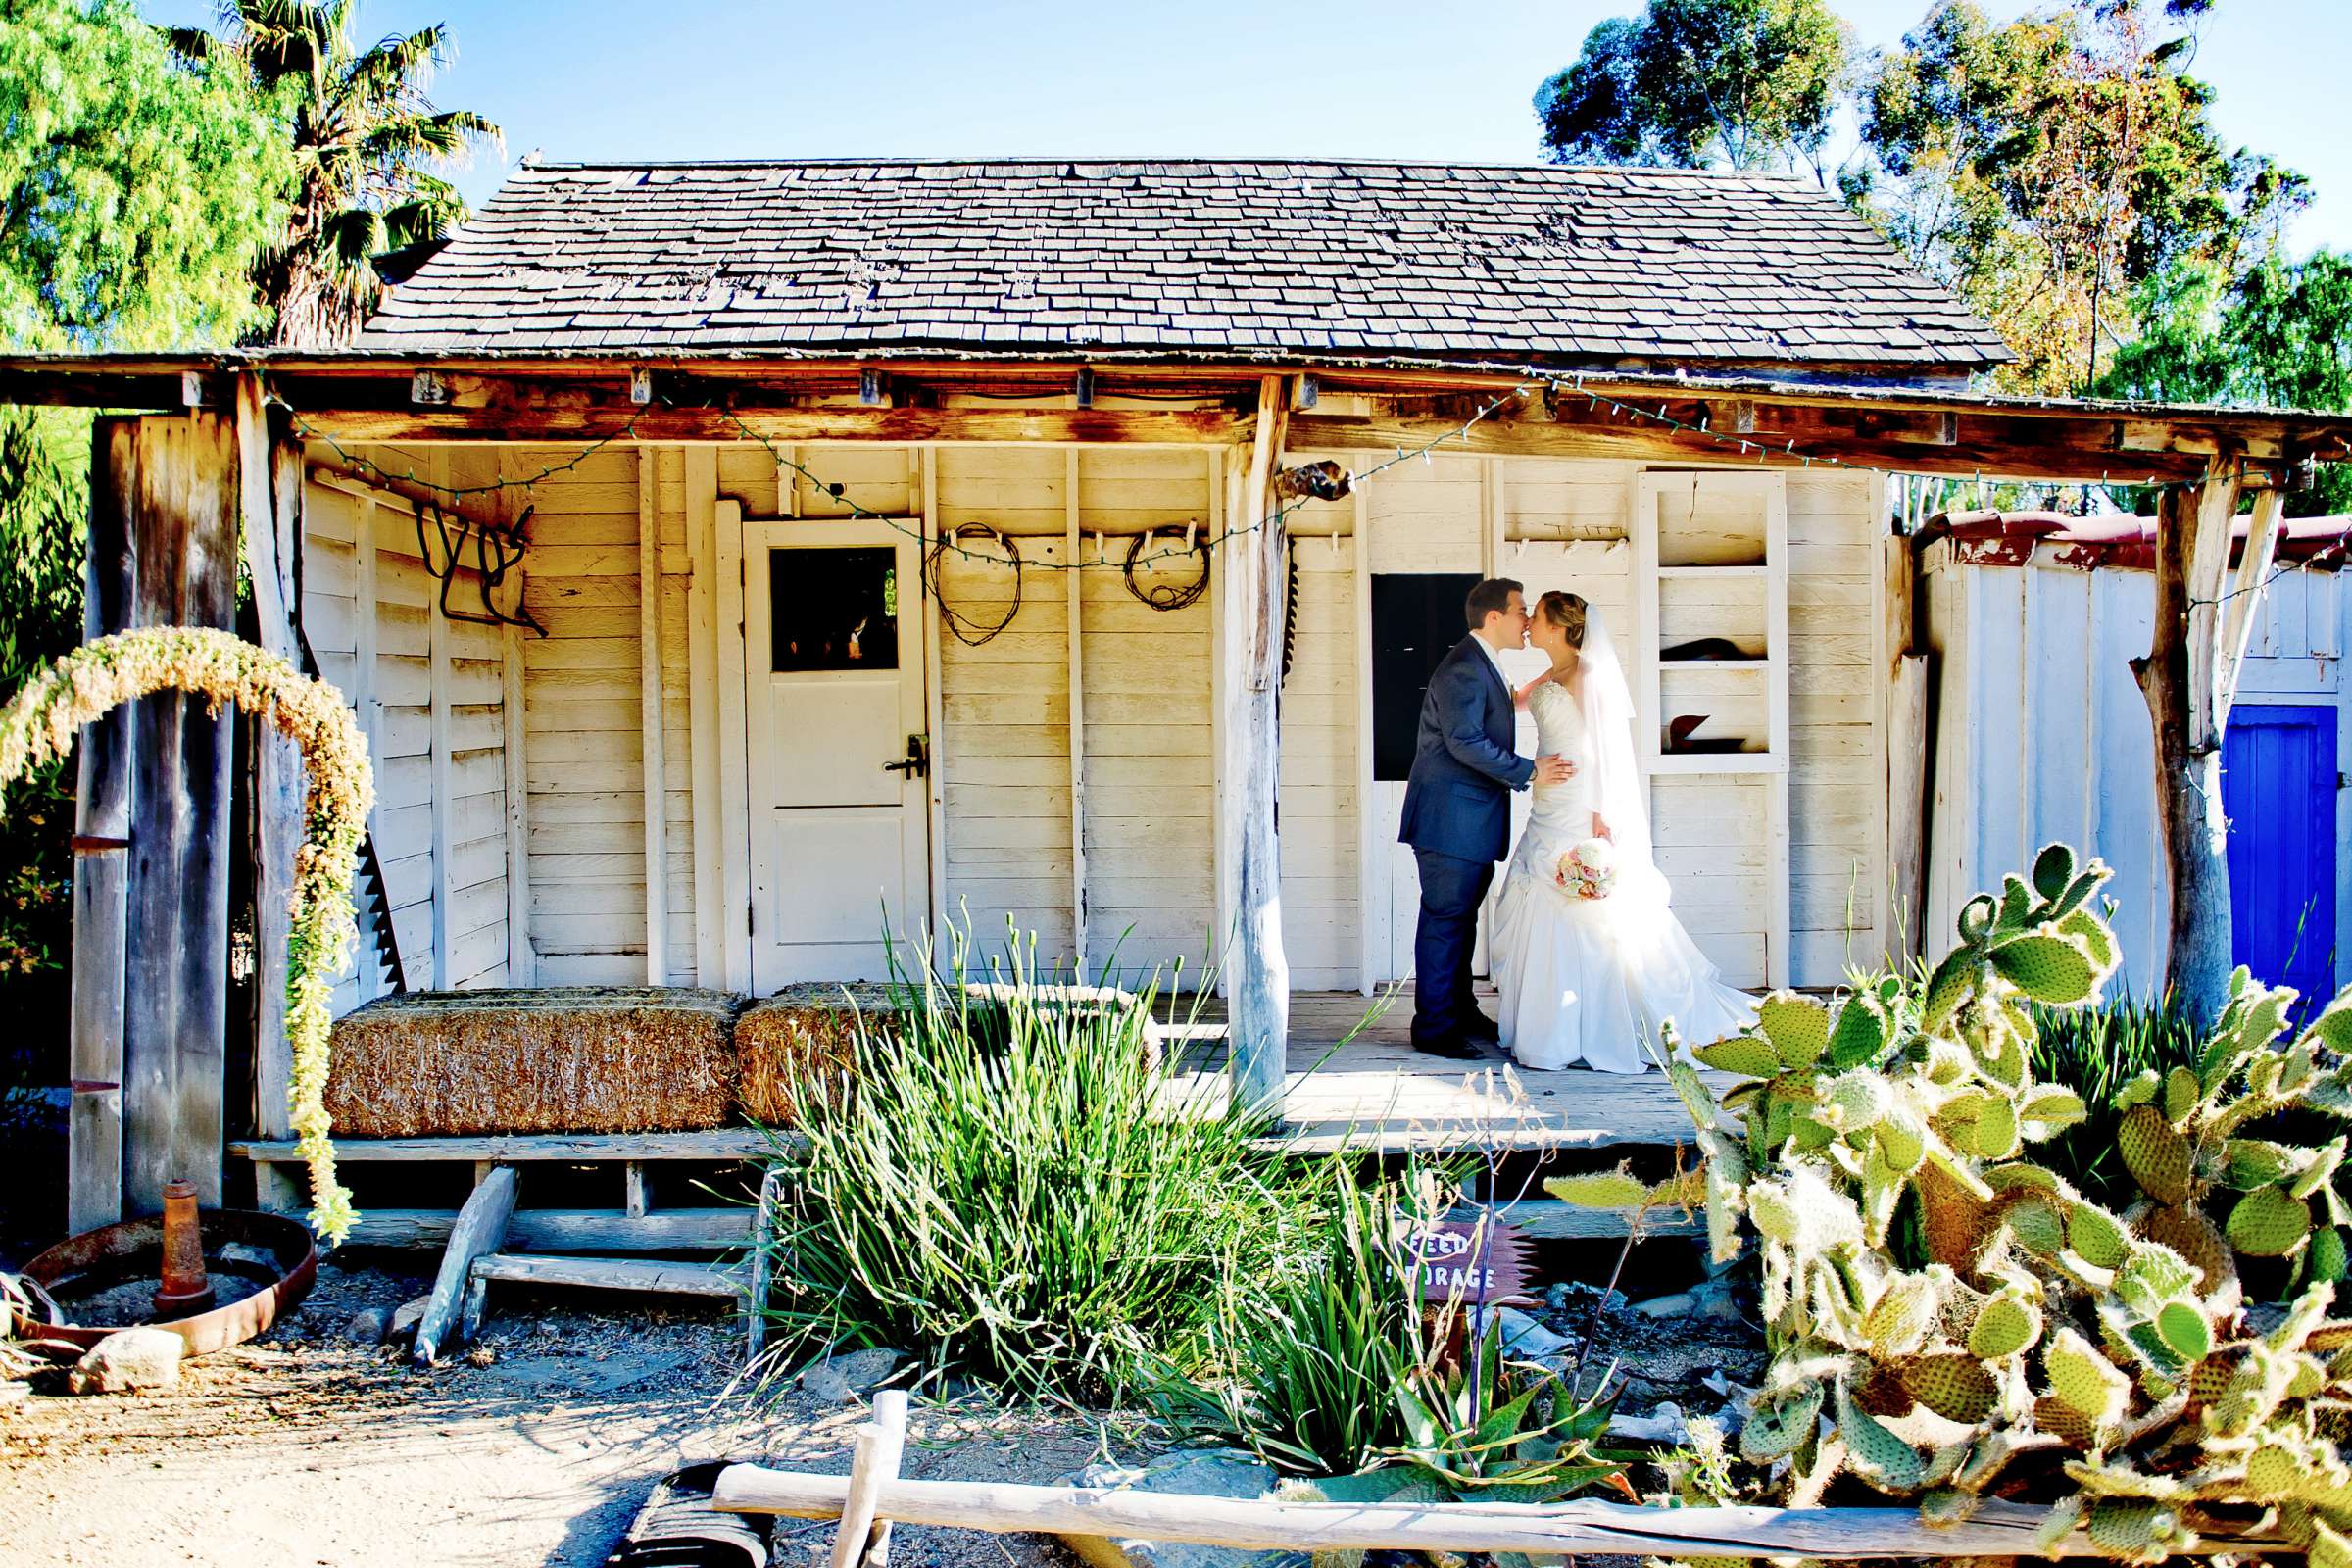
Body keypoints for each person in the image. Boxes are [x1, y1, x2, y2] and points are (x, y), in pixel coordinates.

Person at [1488, 590, 1755, 1072]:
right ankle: (1546, 1021)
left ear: (1558, 627)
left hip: (1579, 802)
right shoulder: (1553, 674)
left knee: (1579, 906)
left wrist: (1600, 811)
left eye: (1537, 617)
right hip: (1548, 799)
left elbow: (1605, 748)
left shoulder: (1588, 677)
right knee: (1534, 895)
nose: (1529, 624)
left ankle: (1587, 1024)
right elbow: (1515, 702)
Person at [1396, 579, 1574, 1059]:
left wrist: (1552, 679)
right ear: (1494, 617)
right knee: (1445, 921)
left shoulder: (1482, 664)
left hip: (1466, 821)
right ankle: (1434, 1029)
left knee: (1459, 920)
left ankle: (1460, 1009)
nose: (1526, 620)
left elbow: (1498, 706)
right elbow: (1464, 741)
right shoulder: (1464, 670)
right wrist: (1528, 771)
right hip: (1449, 820)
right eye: (1520, 611)